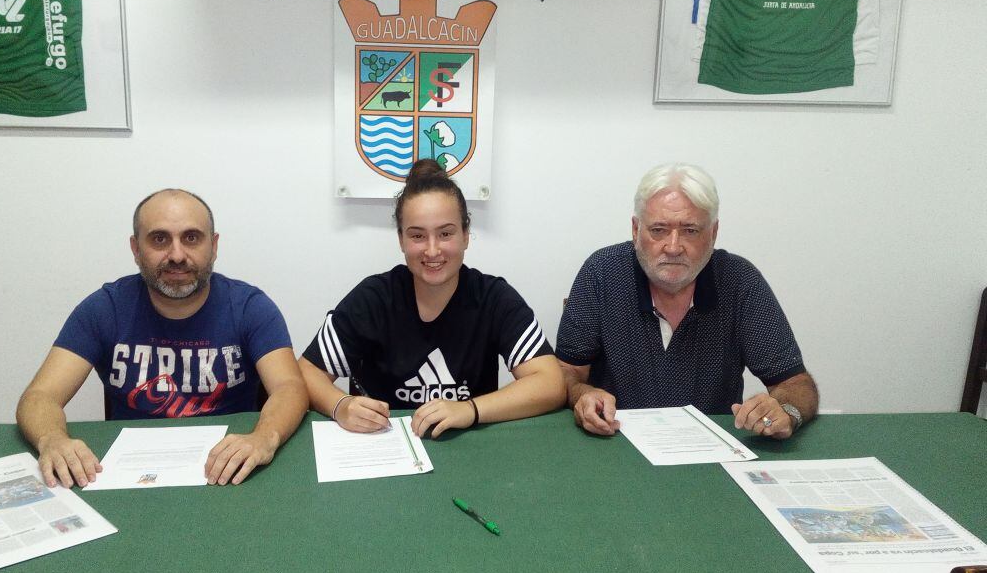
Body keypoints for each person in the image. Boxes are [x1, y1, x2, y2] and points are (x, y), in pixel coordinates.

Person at [16, 189, 308, 488]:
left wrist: (263, 438)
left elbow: (289, 387)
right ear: (135, 248)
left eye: (192, 238)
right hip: (128, 476)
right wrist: (51, 439)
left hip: (228, 472)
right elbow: (40, 396)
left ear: (214, 245)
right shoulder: (104, 308)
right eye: (159, 239)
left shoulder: (250, 307)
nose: (177, 255)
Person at [298, 159, 565, 438]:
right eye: (417, 236)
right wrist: (340, 405)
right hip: (384, 451)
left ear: (466, 235)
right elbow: (305, 373)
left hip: (468, 451)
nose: (433, 250)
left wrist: (469, 409)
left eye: (446, 233)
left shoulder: (493, 298)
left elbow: (550, 382)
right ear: (401, 240)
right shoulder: (373, 299)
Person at [556, 163, 818, 440]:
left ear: (713, 233)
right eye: (658, 229)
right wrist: (582, 394)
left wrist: (786, 411)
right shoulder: (602, 273)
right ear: (635, 230)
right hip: (616, 444)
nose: (673, 246)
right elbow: (566, 371)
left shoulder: (740, 281)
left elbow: (796, 383)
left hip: (711, 453)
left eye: (690, 230)